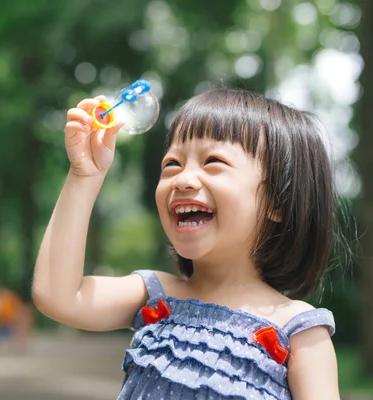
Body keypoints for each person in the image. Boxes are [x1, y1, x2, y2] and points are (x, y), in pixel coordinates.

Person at [33, 88, 341, 399]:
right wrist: (84, 175)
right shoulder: (154, 295)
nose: (183, 179)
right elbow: (58, 296)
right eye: (172, 164)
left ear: (278, 201)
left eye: (213, 161)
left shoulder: (297, 330)